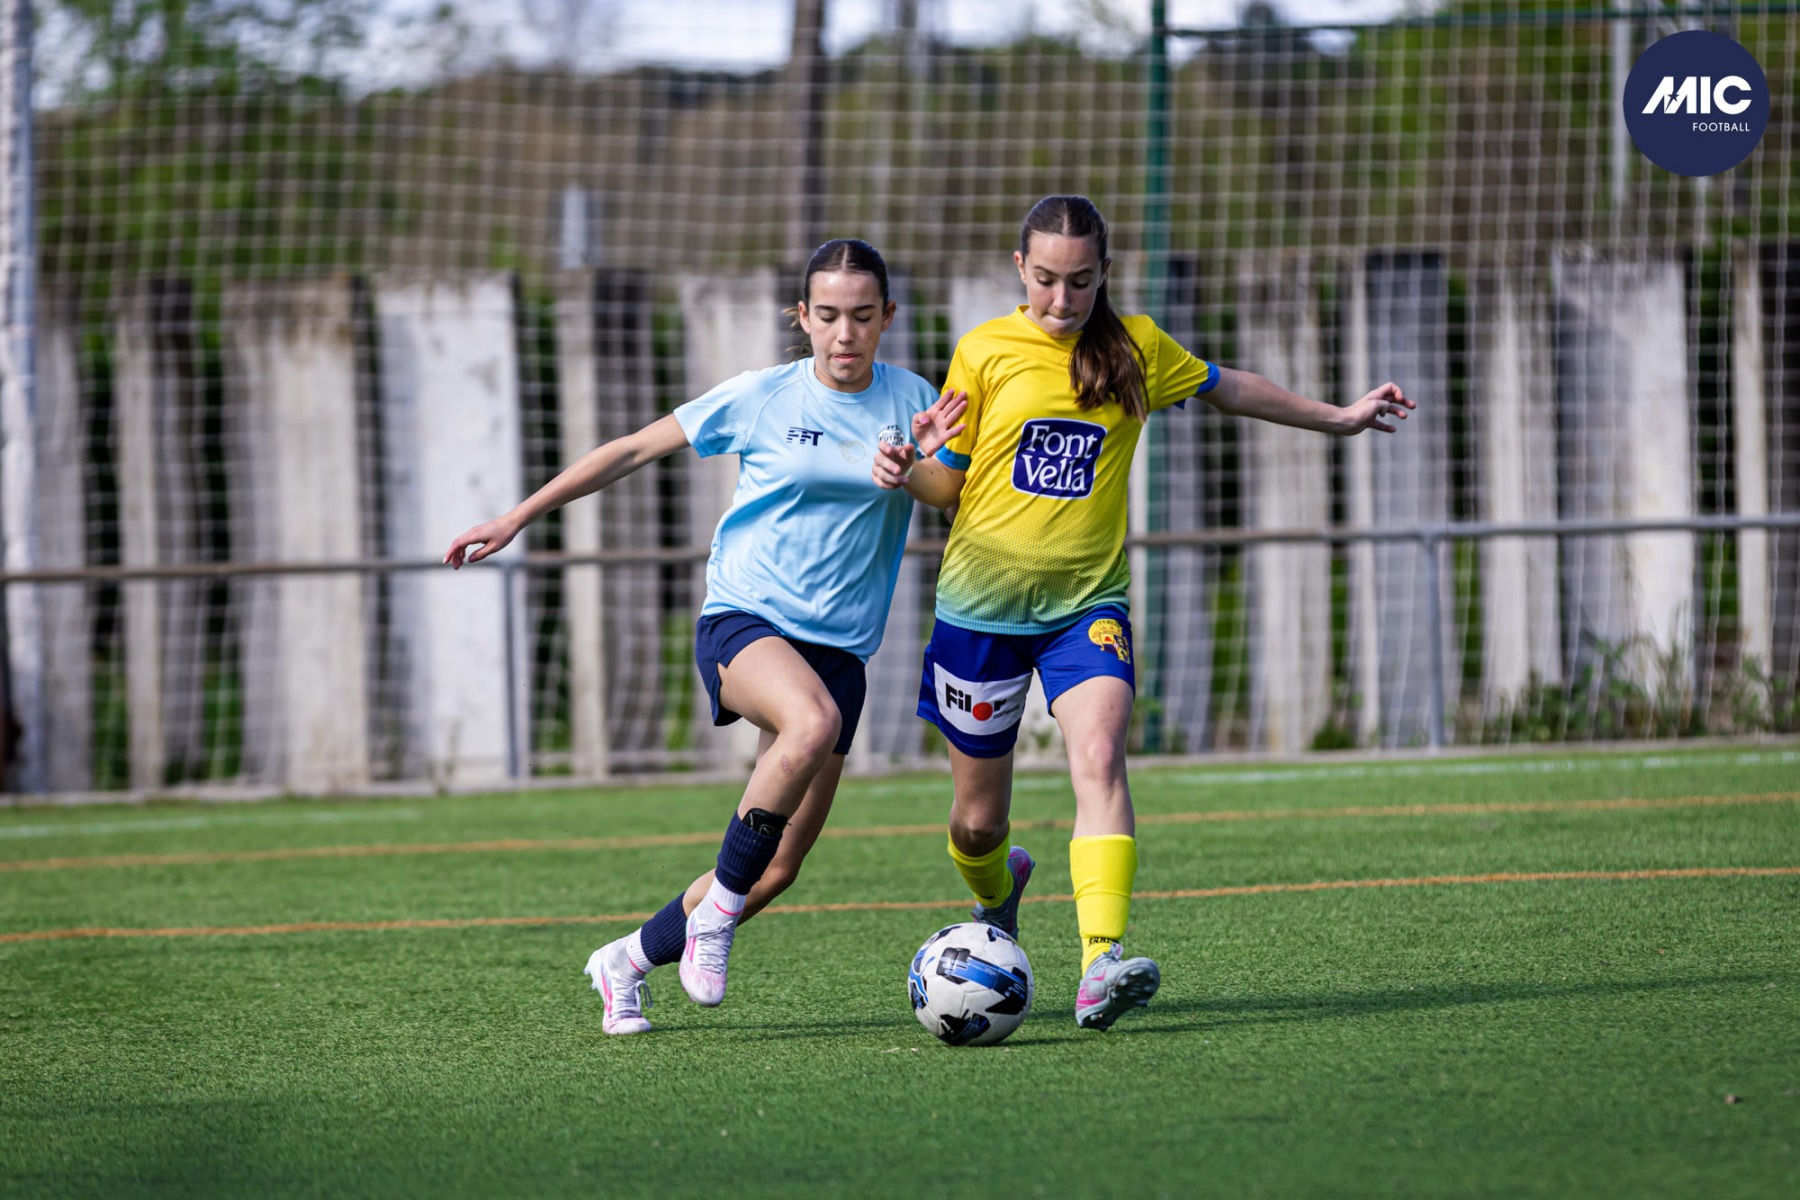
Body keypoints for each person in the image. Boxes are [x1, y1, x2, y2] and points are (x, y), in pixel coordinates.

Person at [873, 195, 1412, 1031]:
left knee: (1100, 756)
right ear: (1020, 269)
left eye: (1081, 281)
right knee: (977, 824)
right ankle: (1000, 889)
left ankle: (1101, 961)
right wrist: (909, 467)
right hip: (979, 613)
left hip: (1087, 606)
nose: (1062, 299)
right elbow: (950, 485)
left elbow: (1231, 387)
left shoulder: (1136, 348)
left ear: (1105, 274)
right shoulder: (983, 350)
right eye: (1046, 279)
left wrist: (1337, 417)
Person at [446, 238, 965, 1035]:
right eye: (828, 315)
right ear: (802, 317)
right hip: (746, 620)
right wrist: (517, 517)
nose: (845, 333)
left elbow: (948, 493)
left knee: (777, 868)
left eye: (863, 316)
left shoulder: (915, 400)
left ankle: (626, 960)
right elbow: (631, 448)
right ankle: (715, 918)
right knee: (811, 723)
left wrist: (911, 466)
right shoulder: (763, 396)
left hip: (841, 651)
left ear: (888, 316)